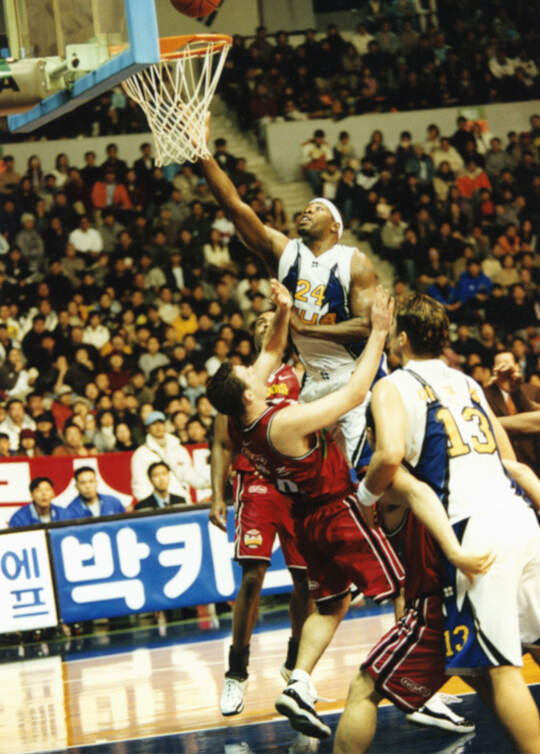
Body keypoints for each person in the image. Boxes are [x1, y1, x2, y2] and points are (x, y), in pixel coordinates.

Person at [207, 283, 405, 739]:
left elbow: (270, 349)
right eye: (248, 371)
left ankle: (298, 678)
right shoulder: (281, 420)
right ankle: (412, 680)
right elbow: (354, 394)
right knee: (402, 587)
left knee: (329, 601)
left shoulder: (243, 411)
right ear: (249, 392)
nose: (256, 366)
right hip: (330, 505)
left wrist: (282, 310)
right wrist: (378, 332)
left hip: (302, 512)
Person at [355, 293, 540, 754]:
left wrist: (365, 496)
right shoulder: (469, 383)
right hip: (519, 516)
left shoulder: (393, 385)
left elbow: (389, 454)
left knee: (502, 669)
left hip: (474, 526)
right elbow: (511, 463)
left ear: (401, 338)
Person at [199, 121, 382, 474]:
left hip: (357, 374)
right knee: (317, 476)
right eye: (306, 207)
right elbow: (234, 205)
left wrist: (305, 328)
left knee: (367, 472)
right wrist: (202, 153)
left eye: (318, 208)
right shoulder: (284, 251)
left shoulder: (353, 261)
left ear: (335, 227)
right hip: (314, 379)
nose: (307, 210)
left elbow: (366, 327)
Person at [210, 302, 311, 717]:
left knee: (306, 579)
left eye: (274, 320)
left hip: (295, 483)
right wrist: (216, 495)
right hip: (254, 481)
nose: (267, 325)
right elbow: (221, 442)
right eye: (260, 322)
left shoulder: (301, 375)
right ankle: (237, 672)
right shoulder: (239, 383)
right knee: (252, 576)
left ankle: (295, 662)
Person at [130, 411, 207, 502]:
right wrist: (152, 504)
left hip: (181, 499)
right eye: (154, 424)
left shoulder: (178, 448)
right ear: (147, 428)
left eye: (161, 423)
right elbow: (140, 484)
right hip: (158, 503)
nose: (158, 427)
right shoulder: (141, 454)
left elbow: (188, 473)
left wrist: (206, 484)